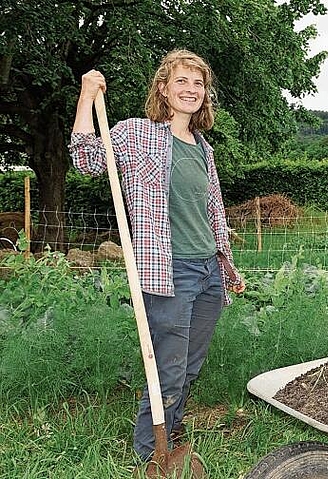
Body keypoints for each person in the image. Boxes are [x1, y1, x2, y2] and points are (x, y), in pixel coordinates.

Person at [69, 49, 246, 463]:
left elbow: (212, 210)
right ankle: (151, 455)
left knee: (190, 366)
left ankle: (174, 429)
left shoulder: (203, 147)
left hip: (207, 272)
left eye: (198, 83)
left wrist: (226, 266)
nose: (191, 90)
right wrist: (85, 97)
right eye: (181, 81)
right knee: (167, 367)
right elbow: (85, 158)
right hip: (169, 271)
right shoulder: (136, 134)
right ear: (163, 89)